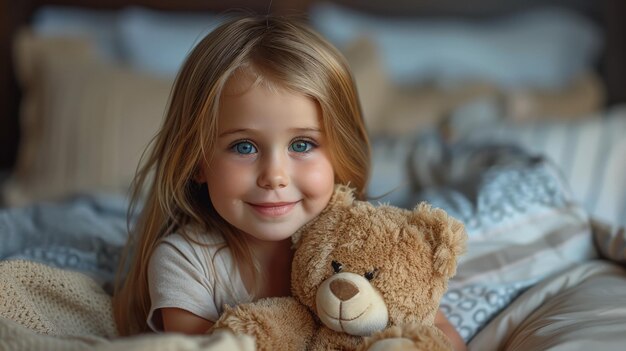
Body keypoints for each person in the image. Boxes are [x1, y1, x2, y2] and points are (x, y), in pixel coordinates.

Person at [112, 14, 466, 351]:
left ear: (339, 155)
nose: (274, 176)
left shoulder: (362, 243)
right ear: (197, 162)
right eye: (244, 146)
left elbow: (436, 331)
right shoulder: (185, 261)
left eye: (302, 145)